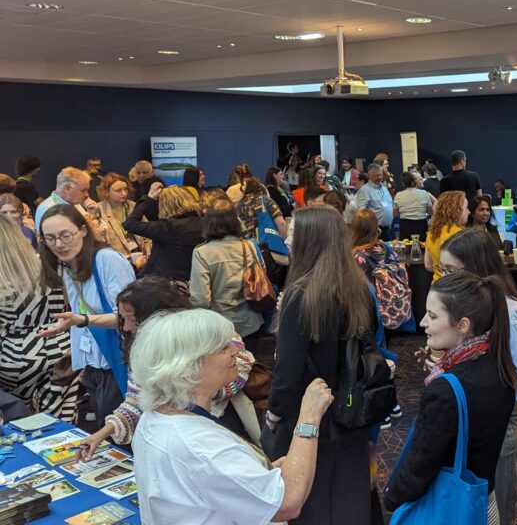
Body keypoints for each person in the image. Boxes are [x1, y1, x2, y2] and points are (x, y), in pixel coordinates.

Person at [131, 308, 333, 525]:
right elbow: (287, 503)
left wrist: (256, 474)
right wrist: (309, 417)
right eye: (222, 347)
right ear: (189, 365)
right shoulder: (201, 446)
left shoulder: (156, 417)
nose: (235, 351)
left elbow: (206, 481)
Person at [267, 206, 376, 523]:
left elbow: (287, 372)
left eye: (292, 232)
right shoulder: (358, 288)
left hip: (310, 413)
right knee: (347, 496)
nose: (286, 238)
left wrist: (274, 414)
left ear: (309, 240)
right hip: (352, 407)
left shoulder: (300, 295)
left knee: (309, 500)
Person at [384, 272, 517, 523]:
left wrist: (392, 498)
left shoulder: (446, 390)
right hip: (483, 503)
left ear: (462, 325)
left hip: (446, 507)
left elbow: (420, 465)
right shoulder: (500, 368)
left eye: (433, 316)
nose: (423, 322)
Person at [77, 277, 257, 457]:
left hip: (219, 426)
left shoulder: (210, 332)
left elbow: (240, 367)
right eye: (122, 319)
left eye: (133, 319)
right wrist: (101, 434)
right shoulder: (147, 347)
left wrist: (189, 391)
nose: (126, 326)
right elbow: (136, 398)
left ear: (157, 315)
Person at [438, 230, 517, 525]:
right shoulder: (465, 306)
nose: (444, 279)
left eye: (451, 271)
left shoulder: (508, 310)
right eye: (443, 270)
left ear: (476, 268)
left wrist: (487, 393)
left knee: (498, 504)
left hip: (500, 421)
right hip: (468, 416)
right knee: (469, 500)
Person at [39, 205, 136, 425]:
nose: (59, 244)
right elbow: (80, 313)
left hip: (118, 362)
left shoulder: (106, 259)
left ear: (83, 230)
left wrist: (82, 320)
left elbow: (130, 318)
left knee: (118, 432)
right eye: (51, 238)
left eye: (65, 235)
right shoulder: (66, 266)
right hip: (94, 365)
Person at [0, 217, 78, 420]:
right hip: (60, 348)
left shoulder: (4, 282)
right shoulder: (47, 267)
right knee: (59, 425)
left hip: (14, 359)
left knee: (19, 423)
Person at [190, 200, 265, 350]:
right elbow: (262, 277)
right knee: (252, 369)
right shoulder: (248, 246)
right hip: (250, 323)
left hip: (220, 326)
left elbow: (201, 299)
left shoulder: (202, 253)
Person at [123, 184, 204, 285]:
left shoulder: (168, 227)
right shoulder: (204, 223)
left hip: (166, 284)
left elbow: (130, 224)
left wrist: (148, 199)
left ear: (164, 205)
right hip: (194, 280)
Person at [96, 173, 145, 266]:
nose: (124, 193)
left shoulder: (133, 206)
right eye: (118, 190)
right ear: (106, 192)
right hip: (116, 262)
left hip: (140, 258)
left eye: (125, 189)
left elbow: (146, 233)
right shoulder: (99, 210)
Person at [34, 166, 99, 231]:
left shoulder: (75, 204)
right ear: (67, 188)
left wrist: (92, 215)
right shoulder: (47, 209)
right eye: (83, 190)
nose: (87, 194)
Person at [424, 191, 468, 282]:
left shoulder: (432, 233)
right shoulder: (461, 235)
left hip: (436, 285)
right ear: (457, 210)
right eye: (466, 208)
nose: (469, 212)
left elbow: (428, 266)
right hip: (456, 287)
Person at [350, 209, 400, 282]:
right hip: (391, 291)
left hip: (368, 293)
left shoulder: (355, 256)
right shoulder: (386, 247)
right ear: (376, 227)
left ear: (354, 229)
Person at [235, 174, 288, 242]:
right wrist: (284, 240)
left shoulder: (238, 204)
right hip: (266, 245)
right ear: (261, 190)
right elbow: (281, 224)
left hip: (247, 246)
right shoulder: (265, 200)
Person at [356, 162, 396, 241]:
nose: (379, 177)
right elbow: (361, 212)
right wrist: (372, 226)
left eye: (380, 175)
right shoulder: (365, 190)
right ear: (369, 175)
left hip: (388, 229)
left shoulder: (384, 189)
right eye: (376, 175)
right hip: (375, 230)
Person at [394, 171, 435, 240]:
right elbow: (430, 212)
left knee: (406, 246)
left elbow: (395, 214)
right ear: (414, 182)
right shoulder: (424, 193)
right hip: (421, 224)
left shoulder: (398, 195)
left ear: (403, 183)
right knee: (421, 245)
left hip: (405, 225)